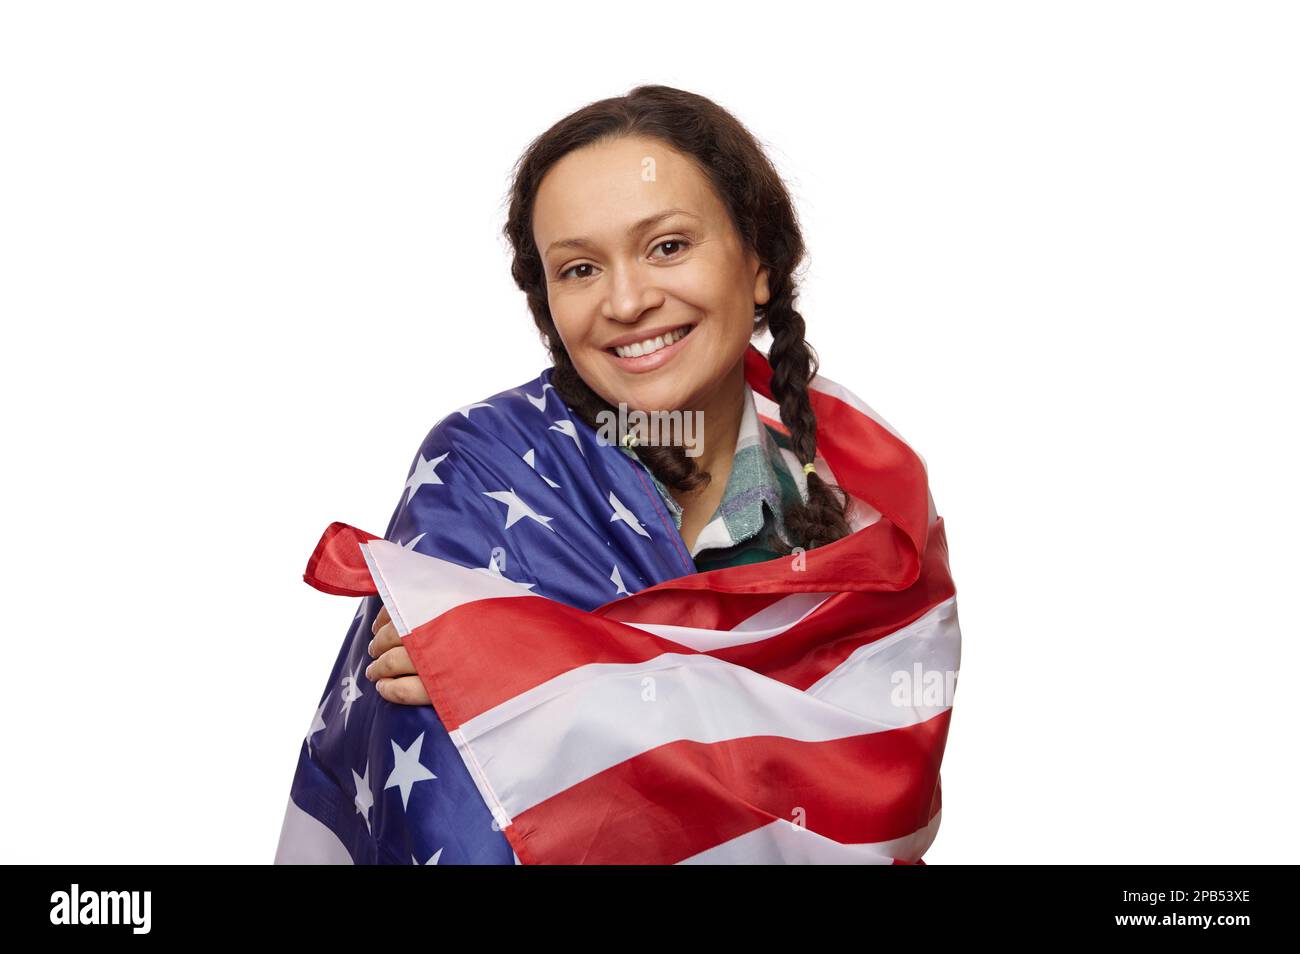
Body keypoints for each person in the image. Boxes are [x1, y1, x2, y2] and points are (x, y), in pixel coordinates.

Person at [364, 84, 856, 705]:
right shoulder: (483, 469)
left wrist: (554, 674)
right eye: (580, 269)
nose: (627, 302)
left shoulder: (859, 502)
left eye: (668, 247)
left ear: (759, 262)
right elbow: (436, 769)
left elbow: (871, 774)